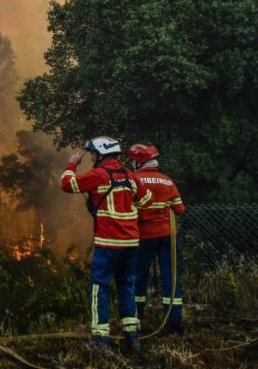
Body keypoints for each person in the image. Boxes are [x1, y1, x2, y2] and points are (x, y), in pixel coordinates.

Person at [61, 136, 153, 352]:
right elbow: (146, 200)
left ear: (101, 154)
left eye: (93, 154)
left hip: (108, 243)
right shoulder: (130, 176)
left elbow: (67, 184)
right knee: (127, 286)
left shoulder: (98, 175)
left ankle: (100, 338)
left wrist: (72, 163)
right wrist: (127, 206)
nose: (92, 158)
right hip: (131, 243)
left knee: (99, 287)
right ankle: (132, 337)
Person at [126, 142, 186, 335]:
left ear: (139, 162)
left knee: (138, 277)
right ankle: (174, 322)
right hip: (168, 236)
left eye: (133, 161)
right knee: (171, 278)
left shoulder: (133, 180)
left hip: (143, 237)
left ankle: (136, 320)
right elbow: (179, 209)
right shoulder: (168, 181)